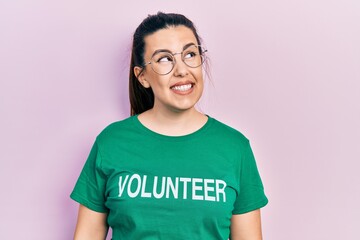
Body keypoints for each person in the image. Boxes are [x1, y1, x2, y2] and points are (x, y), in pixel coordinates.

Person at [71, 12, 268, 240]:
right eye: (164, 59)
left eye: (190, 54)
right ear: (142, 76)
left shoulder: (235, 148)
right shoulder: (111, 142)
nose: (182, 70)